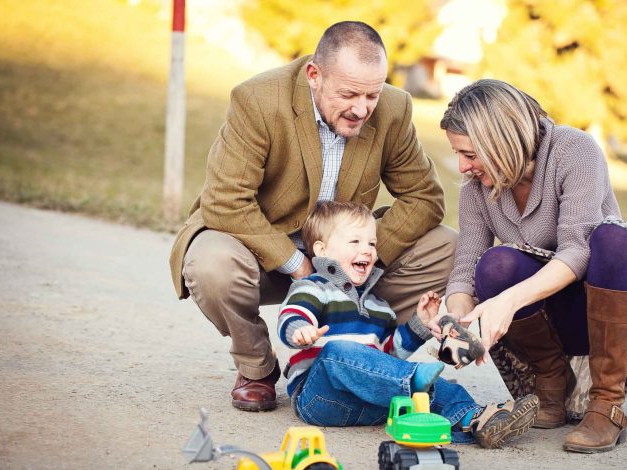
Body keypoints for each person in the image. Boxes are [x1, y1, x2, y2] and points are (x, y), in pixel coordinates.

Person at [168, 21, 457, 412]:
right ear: (314, 75)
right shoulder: (258, 99)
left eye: (372, 94)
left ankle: (366, 351)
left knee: (445, 246)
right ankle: (256, 368)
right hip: (263, 250)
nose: (361, 108)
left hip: (342, 256)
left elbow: (424, 197)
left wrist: (361, 259)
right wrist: (302, 267)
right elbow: (225, 200)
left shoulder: (394, 108)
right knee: (210, 262)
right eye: (349, 94)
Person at [437, 79, 627, 453]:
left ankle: (607, 404)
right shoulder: (475, 190)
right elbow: (464, 270)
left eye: (470, 154)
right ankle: (551, 383)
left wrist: (507, 303)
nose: (463, 167)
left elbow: (578, 250)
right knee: (493, 264)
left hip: (599, 312)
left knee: (611, 236)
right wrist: (456, 319)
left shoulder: (573, 150)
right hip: (544, 322)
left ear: (500, 141)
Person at [277, 201, 539, 448]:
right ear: (322, 250)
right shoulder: (313, 287)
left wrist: (420, 324)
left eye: (372, 242)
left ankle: (473, 419)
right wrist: (300, 329)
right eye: (355, 241)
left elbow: (388, 357)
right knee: (336, 352)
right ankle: (415, 381)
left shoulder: (378, 306)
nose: (367, 249)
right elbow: (292, 313)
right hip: (319, 398)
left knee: (417, 384)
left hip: (368, 401)